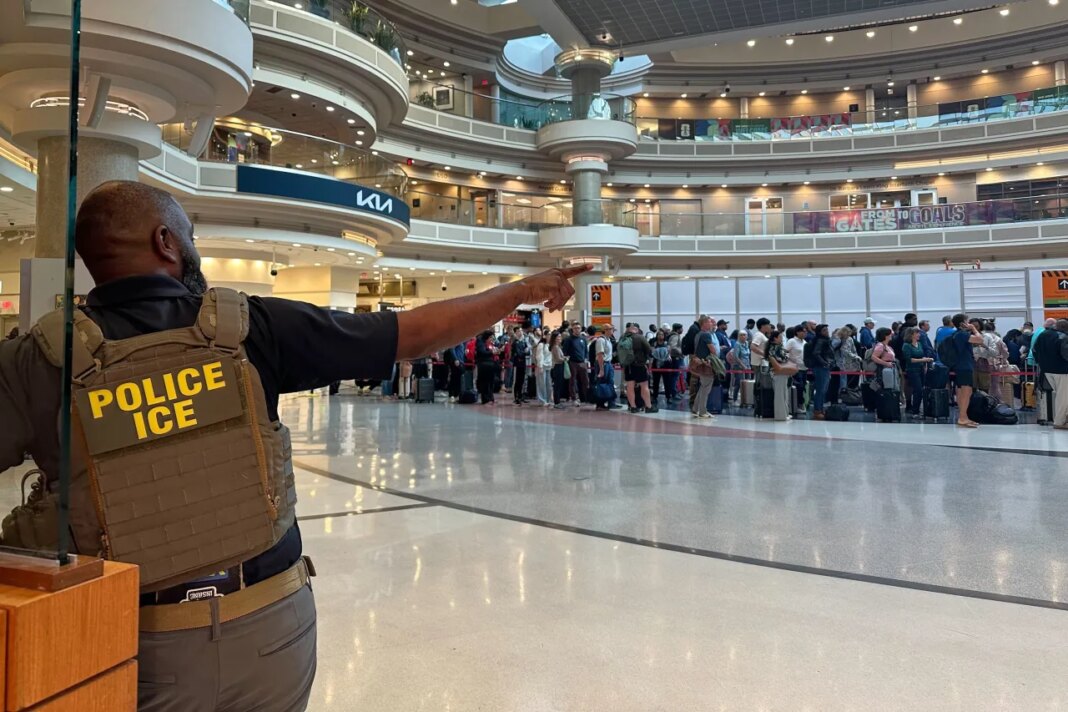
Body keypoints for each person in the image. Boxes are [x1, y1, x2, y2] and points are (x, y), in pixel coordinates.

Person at [0, 180, 587, 712]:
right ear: (165, 242)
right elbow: (410, 334)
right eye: (190, 237)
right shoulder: (248, 327)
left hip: (129, 636)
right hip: (269, 627)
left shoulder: (37, 360)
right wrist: (518, 291)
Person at [1032, 319, 1068, 429]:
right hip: (1062, 370)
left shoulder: (1043, 335)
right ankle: (1059, 422)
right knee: (1063, 398)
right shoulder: (1063, 337)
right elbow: (1066, 354)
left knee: (1059, 395)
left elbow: (1034, 350)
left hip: (1046, 370)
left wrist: (1042, 362)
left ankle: (1062, 418)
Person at [951, 313, 985, 428]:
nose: (970, 323)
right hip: (965, 366)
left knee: (962, 391)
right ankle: (962, 417)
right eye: (968, 321)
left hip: (960, 365)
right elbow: (980, 340)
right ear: (962, 323)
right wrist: (974, 329)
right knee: (966, 391)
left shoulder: (956, 334)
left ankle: (964, 416)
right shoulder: (962, 334)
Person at [622, 323, 656, 414]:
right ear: (636, 330)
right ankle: (648, 406)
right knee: (644, 386)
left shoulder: (623, 338)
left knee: (630, 386)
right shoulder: (640, 338)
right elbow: (649, 350)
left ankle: (633, 407)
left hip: (628, 366)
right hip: (640, 365)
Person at [902, 326, 934, 418]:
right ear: (911, 335)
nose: (919, 335)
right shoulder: (906, 345)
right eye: (917, 333)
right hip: (912, 370)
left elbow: (920, 356)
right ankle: (915, 411)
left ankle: (919, 409)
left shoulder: (919, 344)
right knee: (918, 390)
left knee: (921, 390)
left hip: (921, 369)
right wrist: (923, 360)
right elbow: (909, 360)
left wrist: (924, 360)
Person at [691, 316, 716, 419]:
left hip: (699, 363)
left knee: (703, 386)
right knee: (706, 388)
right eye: (710, 322)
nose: (712, 324)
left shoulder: (698, 334)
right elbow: (712, 350)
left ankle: (696, 408)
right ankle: (702, 411)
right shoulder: (706, 334)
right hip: (706, 364)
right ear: (705, 323)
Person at [808, 324, 835, 420]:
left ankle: (820, 409)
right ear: (820, 332)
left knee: (823, 390)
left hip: (823, 367)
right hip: (820, 367)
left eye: (827, 329)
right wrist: (824, 363)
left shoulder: (825, 340)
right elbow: (816, 353)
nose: (827, 331)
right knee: (820, 390)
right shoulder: (820, 340)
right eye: (824, 330)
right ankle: (817, 410)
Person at [563, 322, 589, 404]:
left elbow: (586, 351)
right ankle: (574, 398)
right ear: (572, 329)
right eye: (575, 328)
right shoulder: (568, 339)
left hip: (582, 362)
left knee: (585, 381)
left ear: (580, 329)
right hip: (572, 363)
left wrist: (586, 359)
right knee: (572, 381)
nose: (577, 329)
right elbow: (565, 351)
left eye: (578, 328)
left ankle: (585, 397)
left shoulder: (583, 339)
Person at [650, 329, 674, 405]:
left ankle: (668, 397)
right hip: (656, 364)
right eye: (659, 334)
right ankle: (654, 396)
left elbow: (669, 353)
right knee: (655, 382)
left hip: (666, 364)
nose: (660, 336)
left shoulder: (667, 344)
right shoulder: (654, 344)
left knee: (667, 381)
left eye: (662, 334)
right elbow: (652, 353)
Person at [510, 325, 530, 405]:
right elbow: (518, 353)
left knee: (522, 380)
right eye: (518, 331)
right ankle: (516, 397)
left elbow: (528, 352)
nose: (520, 332)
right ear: (515, 333)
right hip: (517, 363)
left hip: (523, 363)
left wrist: (526, 351)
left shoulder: (523, 341)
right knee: (517, 380)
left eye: (521, 331)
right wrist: (524, 352)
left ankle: (521, 396)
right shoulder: (515, 342)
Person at [728, 331, 750, 403]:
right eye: (741, 335)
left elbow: (748, 355)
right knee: (738, 383)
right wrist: (742, 365)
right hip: (739, 366)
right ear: (738, 336)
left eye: (744, 335)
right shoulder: (737, 344)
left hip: (747, 365)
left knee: (748, 382)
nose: (743, 336)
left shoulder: (746, 343)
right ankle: (735, 399)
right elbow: (736, 357)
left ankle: (746, 399)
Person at [549, 331, 569, 410]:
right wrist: (565, 358)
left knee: (558, 385)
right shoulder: (555, 347)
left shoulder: (557, 346)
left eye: (560, 337)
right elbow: (558, 358)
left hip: (559, 366)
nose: (559, 339)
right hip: (557, 367)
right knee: (557, 385)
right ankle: (556, 402)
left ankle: (558, 401)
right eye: (558, 337)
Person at [534, 329, 553, 406]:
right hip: (542, 366)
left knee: (548, 384)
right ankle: (542, 400)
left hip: (549, 366)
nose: (549, 336)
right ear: (545, 336)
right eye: (548, 335)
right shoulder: (541, 344)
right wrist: (540, 366)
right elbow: (539, 356)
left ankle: (548, 399)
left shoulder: (551, 345)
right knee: (541, 383)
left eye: (550, 335)